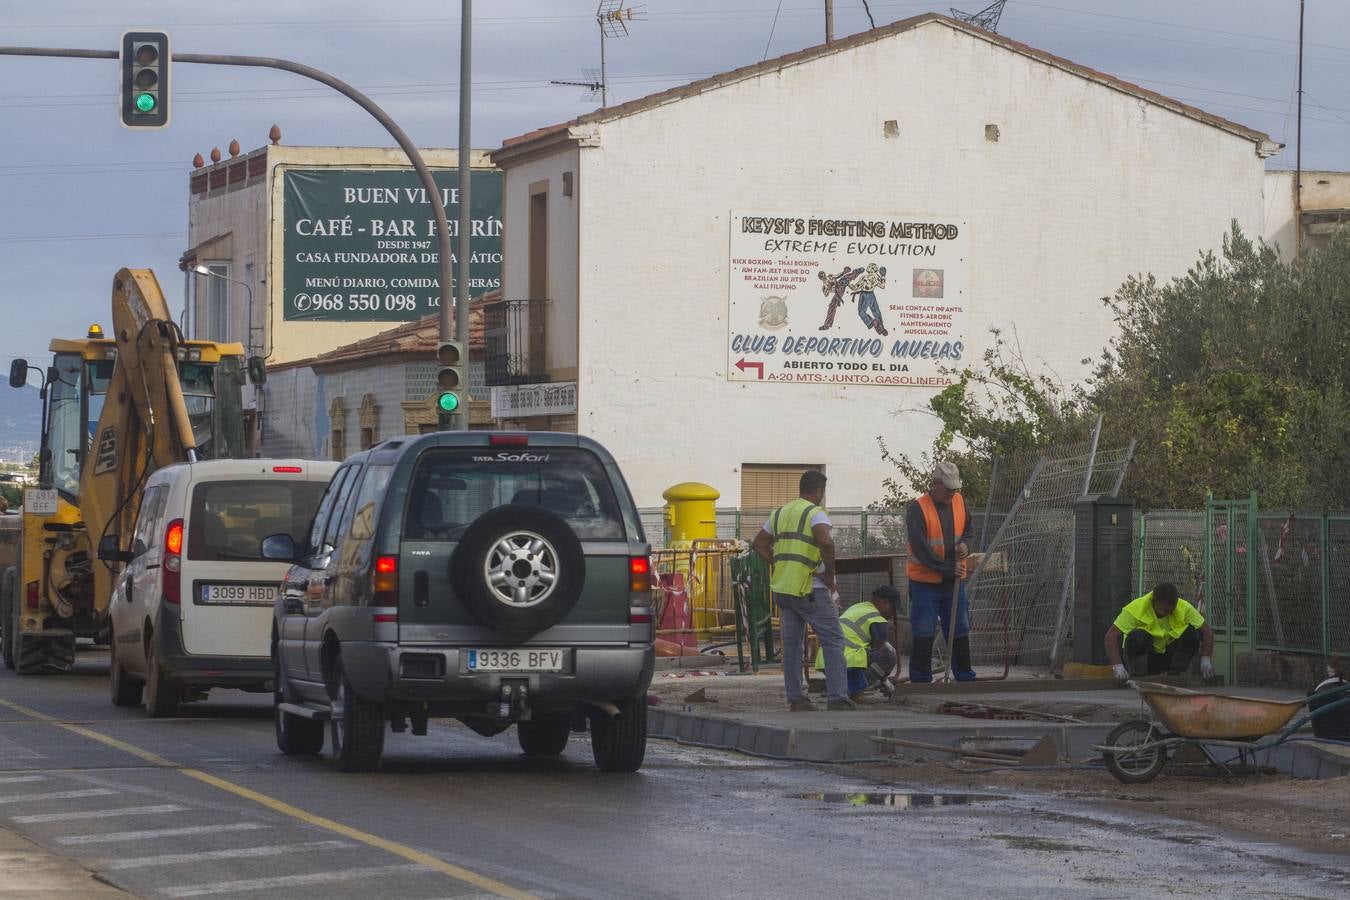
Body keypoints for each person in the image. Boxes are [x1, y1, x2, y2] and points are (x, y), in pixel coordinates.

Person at [751, 470, 856, 711]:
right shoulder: (815, 514)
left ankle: (796, 698)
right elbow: (826, 541)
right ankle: (838, 697)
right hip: (811, 589)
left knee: (792, 645)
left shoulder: (780, 513)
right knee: (833, 639)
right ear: (818, 491)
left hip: (785, 590)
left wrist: (779, 563)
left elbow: (759, 543)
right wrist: (830, 574)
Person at [906, 461, 976, 682]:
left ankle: (964, 676)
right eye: (948, 489)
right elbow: (920, 548)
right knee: (924, 629)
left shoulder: (959, 502)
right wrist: (946, 568)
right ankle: (921, 679)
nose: (952, 493)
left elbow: (969, 532)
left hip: (953, 581)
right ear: (935, 484)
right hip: (925, 583)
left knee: (960, 628)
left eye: (955, 489)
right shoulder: (917, 508)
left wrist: (966, 545)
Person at [1105, 583, 1216, 684]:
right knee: (1138, 637)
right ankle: (1139, 672)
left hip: (1168, 657)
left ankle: (1176, 672)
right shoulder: (1136, 609)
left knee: (1193, 633)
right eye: (1166, 610)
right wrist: (1117, 666)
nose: (1170, 613)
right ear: (1154, 602)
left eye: (1172, 609)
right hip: (1147, 658)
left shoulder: (1183, 607)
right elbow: (1111, 637)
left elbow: (1207, 631)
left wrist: (1205, 660)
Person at [814, 584, 900, 700]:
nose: (893, 614)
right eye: (893, 608)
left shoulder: (858, 607)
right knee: (889, 653)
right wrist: (884, 680)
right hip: (848, 662)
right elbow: (878, 650)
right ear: (885, 602)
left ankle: (840, 686)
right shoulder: (877, 618)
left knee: (869, 653)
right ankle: (854, 688)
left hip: (826, 661)